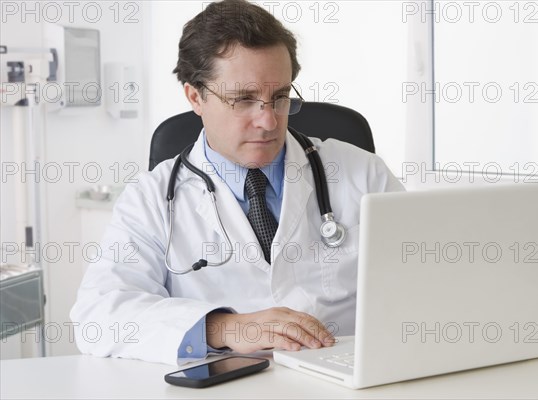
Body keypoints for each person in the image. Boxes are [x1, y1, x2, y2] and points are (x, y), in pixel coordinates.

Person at [70, 0, 404, 365]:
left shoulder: (362, 173)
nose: (269, 121)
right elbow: (98, 316)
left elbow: (425, 282)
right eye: (243, 100)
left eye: (279, 98)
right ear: (195, 96)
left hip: (345, 381)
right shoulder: (150, 199)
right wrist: (224, 327)